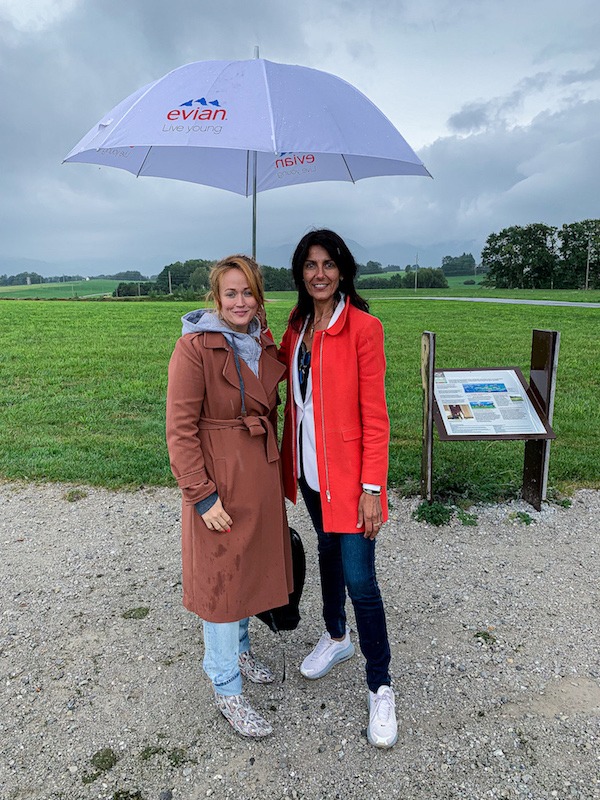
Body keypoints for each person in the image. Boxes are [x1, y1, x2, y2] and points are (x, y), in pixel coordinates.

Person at [278, 229, 397, 748]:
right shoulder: (298, 325)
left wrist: (373, 487)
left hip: (350, 480)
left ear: (343, 270)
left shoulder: (364, 329)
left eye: (328, 264)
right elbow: (274, 373)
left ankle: (380, 684)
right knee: (326, 552)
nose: (319, 273)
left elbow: (376, 416)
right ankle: (335, 635)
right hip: (309, 473)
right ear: (300, 273)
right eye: (310, 264)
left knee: (360, 578)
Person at [166, 255, 292, 738]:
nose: (240, 302)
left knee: (243, 573)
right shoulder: (194, 348)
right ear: (215, 300)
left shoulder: (260, 342)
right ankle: (226, 687)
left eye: (249, 293)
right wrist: (201, 495)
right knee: (221, 582)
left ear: (259, 297)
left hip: (257, 475)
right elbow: (179, 431)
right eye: (231, 294)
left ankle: (240, 649)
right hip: (219, 481)